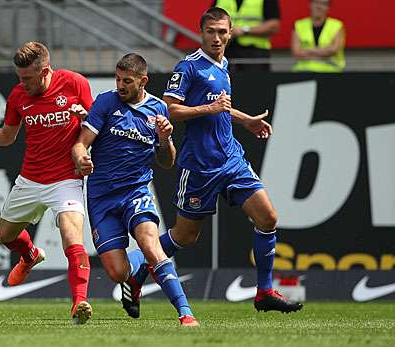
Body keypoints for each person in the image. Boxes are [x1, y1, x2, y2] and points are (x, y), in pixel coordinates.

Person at [126, 7, 303, 315]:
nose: (217, 38)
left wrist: (245, 120)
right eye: (211, 32)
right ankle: (140, 267)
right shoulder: (189, 67)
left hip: (231, 158)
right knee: (185, 236)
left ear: (230, 33)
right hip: (199, 166)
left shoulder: (223, 64)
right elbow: (169, 110)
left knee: (268, 218)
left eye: (223, 32)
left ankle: (264, 292)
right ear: (201, 33)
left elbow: (220, 107)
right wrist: (209, 109)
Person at [0, 41, 93, 324]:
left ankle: (79, 303)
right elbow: (9, 136)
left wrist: (86, 121)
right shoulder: (18, 95)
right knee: (5, 236)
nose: (22, 83)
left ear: (45, 70)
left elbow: (97, 126)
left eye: (27, 78)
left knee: (72, 236)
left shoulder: (74, 84)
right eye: (19, 77)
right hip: (31, 179)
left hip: (66, 179)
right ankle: (30, 255)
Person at [72, 53, 199, 327]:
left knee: (151, 243)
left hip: (136, 192)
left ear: (143, 81)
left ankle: (185, 313)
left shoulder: (158, 110)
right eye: (118, 79)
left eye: (127, 81)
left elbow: (166, 162)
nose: (120, 85)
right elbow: (81, 143)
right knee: (118, 272)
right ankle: (136, 269)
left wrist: (165, 140)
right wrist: (81, 157)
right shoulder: (106, 102)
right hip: (102, 197)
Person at [213, 0, 280, 71]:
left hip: (255, 54)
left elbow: (273, 26)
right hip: (223, 51)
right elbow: (209, 22)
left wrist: (244, 30)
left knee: (254, 81)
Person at [291, 0, 345, 72]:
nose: (319, 6)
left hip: (330, 71)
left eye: (323, 4)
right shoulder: (299, 25)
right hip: (303, 71)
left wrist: (309, 50)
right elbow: (297, 52)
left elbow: (334, 49)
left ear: (328, 7)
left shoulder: (336, 25)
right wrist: (324, 52)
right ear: (310, 4)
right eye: (316, 2)